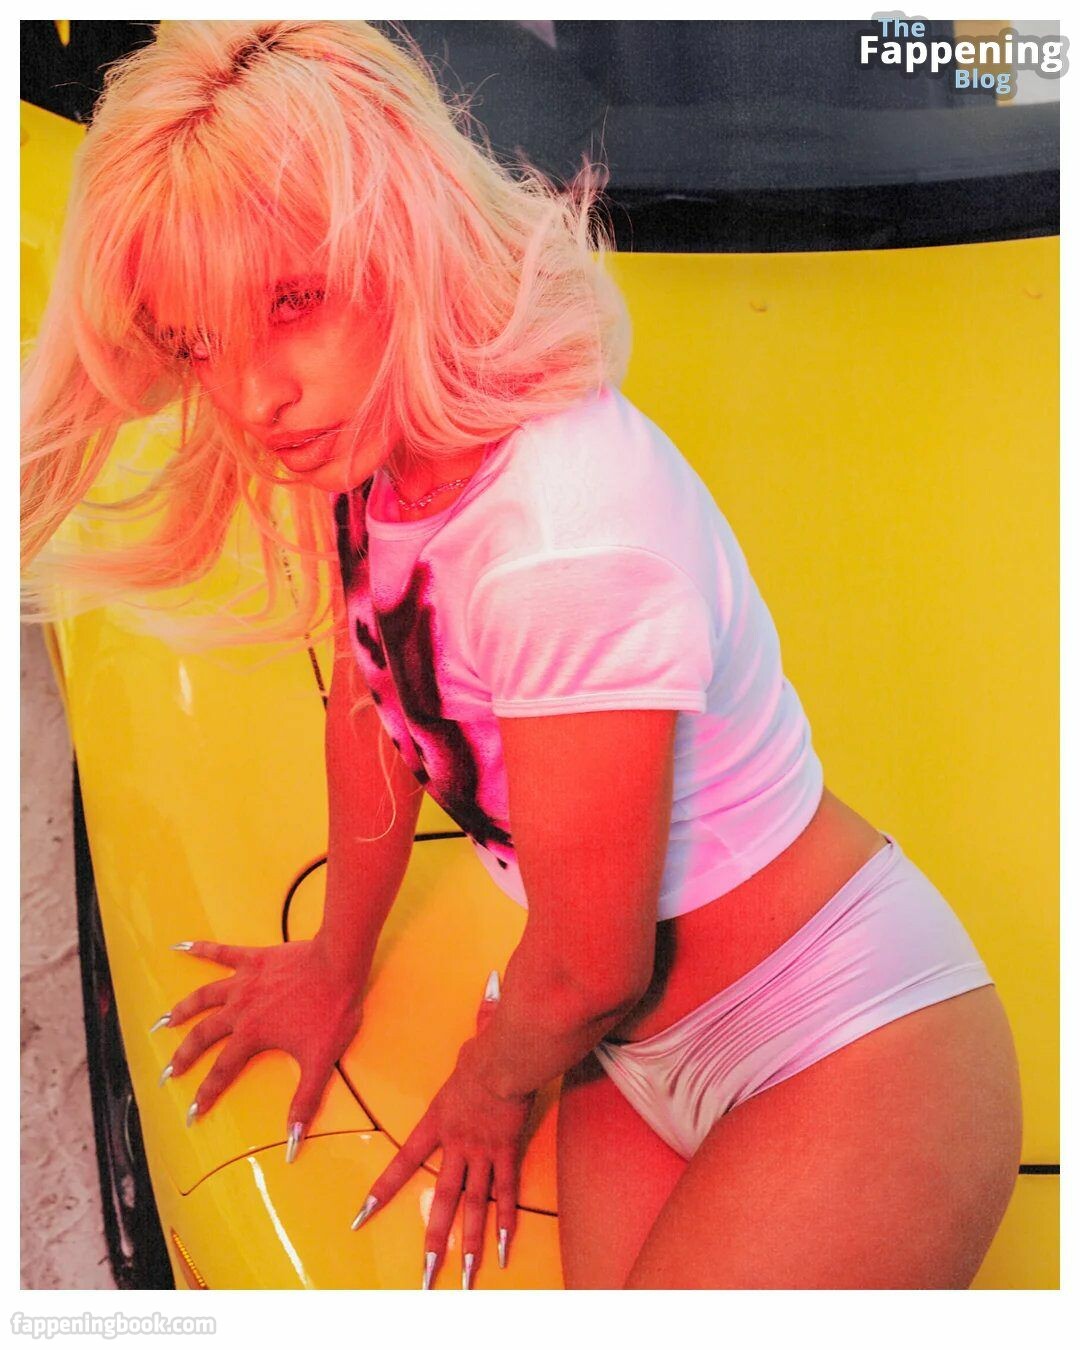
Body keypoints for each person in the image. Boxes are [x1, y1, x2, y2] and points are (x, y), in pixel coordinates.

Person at [21, 20, 1023, 1290]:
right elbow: (378, 702)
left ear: (405, 231)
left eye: (291, 301)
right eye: (200, 343)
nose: (254, 397)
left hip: (839, 1044)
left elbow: (591, 964)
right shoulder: (378, 440)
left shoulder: (564, 545)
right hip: (621, 1048)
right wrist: (334, 963)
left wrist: (489, 1085)